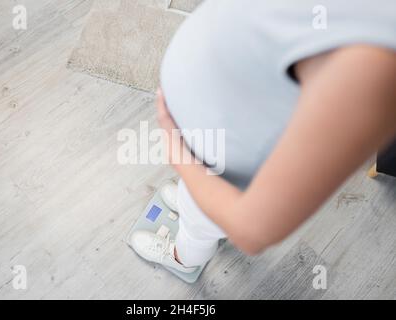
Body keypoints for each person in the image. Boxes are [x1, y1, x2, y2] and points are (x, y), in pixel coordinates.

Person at [130, 0, 396, 273]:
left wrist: (179, 156)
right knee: (196, 208)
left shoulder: (375, 62)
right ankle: (196, 206)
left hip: (222, 175)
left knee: (198, 227)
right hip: (212, 145)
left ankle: (183, 258)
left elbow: (252, 229)